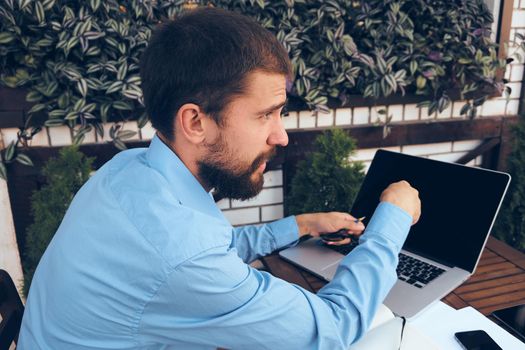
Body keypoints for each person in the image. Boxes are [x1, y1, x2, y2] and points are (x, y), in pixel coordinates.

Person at [18, 7, 421, 350]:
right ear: (195, 122)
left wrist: (301, 225)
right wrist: (392, 219)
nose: (280, 135)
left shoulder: (129, 172)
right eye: (266, 114)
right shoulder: (179, 250)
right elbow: (332, 328)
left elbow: (213, 250)